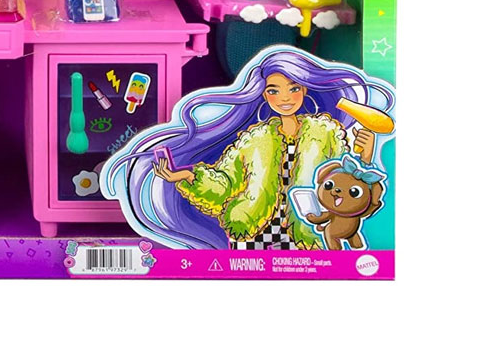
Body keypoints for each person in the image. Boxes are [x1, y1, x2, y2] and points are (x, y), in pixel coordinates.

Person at [107, 47, 394, 250]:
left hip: (309, 232)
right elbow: (225, 184)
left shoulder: (326, 133)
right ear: (264, 95)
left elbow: (346, 180)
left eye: (294, 88)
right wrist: (187, 176)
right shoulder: (255, 140)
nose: (285, 98)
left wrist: (366, 155)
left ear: (305, 89)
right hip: (254, 233)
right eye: (274, 90)